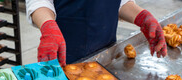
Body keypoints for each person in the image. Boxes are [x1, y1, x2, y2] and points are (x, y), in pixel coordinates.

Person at [26, 0, 167, 66]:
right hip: (64, 51)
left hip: (106, 54)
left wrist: (142, 17)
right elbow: (39, 2)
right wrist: (48, 26)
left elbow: (119, 2)